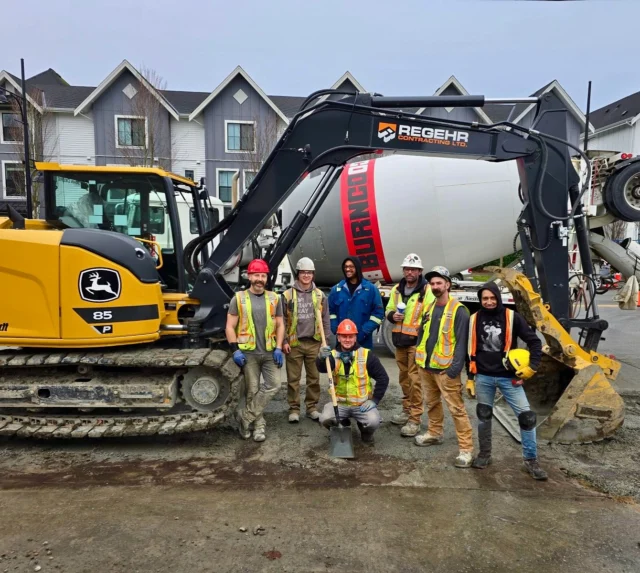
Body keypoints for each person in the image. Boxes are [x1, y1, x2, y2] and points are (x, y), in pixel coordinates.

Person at [466, 281, 547, 480]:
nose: (489, 302)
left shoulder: (512, 317)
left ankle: (531, 460)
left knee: (527, 418)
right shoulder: (474, 319)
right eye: (485, 298)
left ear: (498, 298)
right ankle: (485, 455)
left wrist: (532, 368)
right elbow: (468, 349)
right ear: (480, 300)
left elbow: (535, 342)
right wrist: (469, 378)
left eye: (492, 298)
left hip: (508, 378)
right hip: (483, 377)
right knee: (484, 416)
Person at [413, 266, 474, 468]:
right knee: (431, 403)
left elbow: (461, 343)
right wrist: (419, 359)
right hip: (427, 367)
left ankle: (466, 450)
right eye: (432, 283)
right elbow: (423, 334)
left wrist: (454, 370)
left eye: (439, 283)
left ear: (448, 284)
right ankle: (434, 432)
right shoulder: (429, 308)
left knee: (457, 409)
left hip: (446, 370)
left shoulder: (459, 311)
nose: (435, 286)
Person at [225, 258, 285, 443]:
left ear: (266, 278)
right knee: (252, 390)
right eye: (256, 275)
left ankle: (245, 417)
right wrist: (235, 350)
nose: (260, 278)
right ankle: (258, 426)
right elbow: (229, 326)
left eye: (263, 275)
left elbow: (281, 324)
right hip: (248, 353)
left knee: (274, 385)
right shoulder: (239, 298)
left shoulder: (275, 298)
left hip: (268, 352)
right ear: (249, 276)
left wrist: (279, 347)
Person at [316, 319, 390, 445]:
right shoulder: (332, 356)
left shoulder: (366, 355)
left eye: (350, 336)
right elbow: (322, 369)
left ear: (355, 337)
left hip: (361, 405)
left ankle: (365, 432)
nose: (347, 340)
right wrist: (320, 358)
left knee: (373, 421)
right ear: (338, 338)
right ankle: (343, 426)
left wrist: (374, 400)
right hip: (339, 404)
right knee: (324, 418)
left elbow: (383, 378)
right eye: (344, 336)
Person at [385, 253, 434, 437]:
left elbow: (429, 317)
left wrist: (423, 341)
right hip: (399, 341)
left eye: (413, 269)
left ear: (420, 271)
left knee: (415, 381)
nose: (409, 272)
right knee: (404, 379)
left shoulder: (426, 291)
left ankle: (415, 419)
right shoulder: (397, 290)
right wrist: (392, 316)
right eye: (407, 269)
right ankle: (406, 410)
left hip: (416, 343)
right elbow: (389, 309)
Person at [282, 257, 331, 423]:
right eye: (303, 272)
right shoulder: (287, 295)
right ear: (298, 274)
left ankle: (311, 408)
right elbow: (281, 320)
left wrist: (326, 343)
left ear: (313, 275)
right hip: (294, 343)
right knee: (293, 379)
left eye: (309, 273)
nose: (306, 275)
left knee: (314, 378)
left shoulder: (320, 295)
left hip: (314, 343)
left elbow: (325, 320)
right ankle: (294, 409)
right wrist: (284, 341)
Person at [328, 257, 384, 349]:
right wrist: (336, 329)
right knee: (341, 363)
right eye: (345, 267)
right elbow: (330, 312)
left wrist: (364, 331)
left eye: (351, 266)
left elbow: (378, 314)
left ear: (357, 268)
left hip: (363, 342)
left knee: (362, 363)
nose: (347, 269)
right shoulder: (336, 290)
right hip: (342, 341)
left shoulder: (370, 289)